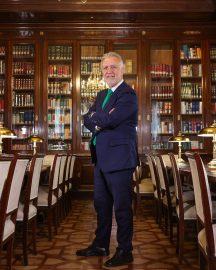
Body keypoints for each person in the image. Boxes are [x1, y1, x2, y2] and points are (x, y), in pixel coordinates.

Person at [76, 52, 140, 267]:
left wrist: (97, 118)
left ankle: (125, 250)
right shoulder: (103, 94)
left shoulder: (128, 94)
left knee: (121, 207)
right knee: (101, 205)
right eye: (105, 68)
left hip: (120, 159)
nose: (109, 71)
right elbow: (87, 118)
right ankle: (101, 244)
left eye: (113, 67)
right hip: (101, 158)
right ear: (101, 72)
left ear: (122, 70)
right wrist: (96, 119)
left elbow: (112, 119)